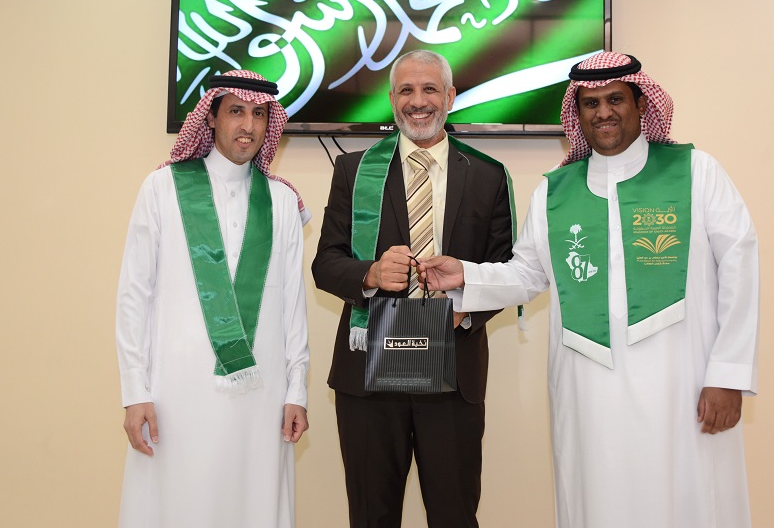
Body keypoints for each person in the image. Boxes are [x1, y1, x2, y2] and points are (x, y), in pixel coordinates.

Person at [421, 50, 760, 527]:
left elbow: (741, 266)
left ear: (641, 103)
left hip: (683, 382)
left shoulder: (696, 172)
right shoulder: (555, 191)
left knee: (686, 498)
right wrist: (467, 275)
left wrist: (727, 374)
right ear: (576, 114)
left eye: (615, 99)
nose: (603, 112)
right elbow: (528, 274)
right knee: (599, 499)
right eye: (591, 103)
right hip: (588, 389)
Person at [312, 49, 515, 527]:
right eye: (406, 90)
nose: (417, 101)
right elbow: (326, 264)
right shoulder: (354, 171)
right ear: (392, 99)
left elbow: (508, 272)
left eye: (429, 89)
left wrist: (465, 308)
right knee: (371, 516)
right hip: (369, 374)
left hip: (452, 369)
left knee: (454, 515)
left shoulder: (488, 175)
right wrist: (369, 274)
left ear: (450, 96)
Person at [115, 70, 311, 528]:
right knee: (179, 501)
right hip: (175, 391)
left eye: (259, 115)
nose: (248, 125)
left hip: (262, 396)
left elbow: (293, 306)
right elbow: (133, 296)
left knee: (253, 500)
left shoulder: (281, 201)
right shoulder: (162, 188)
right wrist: (135, 391)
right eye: (236, 112)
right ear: (211, 119)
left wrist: (297, 390)